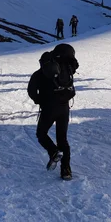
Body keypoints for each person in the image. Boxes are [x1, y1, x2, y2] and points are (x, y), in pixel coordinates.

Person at [27, 43, 78, 180]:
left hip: (49, 108)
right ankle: (66, 170)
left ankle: (53, 151)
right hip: (64, 108)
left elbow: (31, 90)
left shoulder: (41, 72)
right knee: (63, 139)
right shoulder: (68, 69)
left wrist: (39, 100)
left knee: (41, 133)